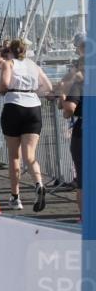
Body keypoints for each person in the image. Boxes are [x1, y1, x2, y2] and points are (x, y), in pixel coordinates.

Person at [0, 38, 53, 211]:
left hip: (14, 105)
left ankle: (15, 197)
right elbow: (48, 86)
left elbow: (5, 84)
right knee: (30, 155)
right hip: (33, 106)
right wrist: (34, 90)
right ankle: (39, 183)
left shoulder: (9, 63)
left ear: (11, 51)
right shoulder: (34, 65)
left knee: (14, 156)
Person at [58, 35, 85, 220]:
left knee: (84, 181)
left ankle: (85, 218)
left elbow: (69, 109)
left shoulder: (80, 82)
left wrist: (63, 101)